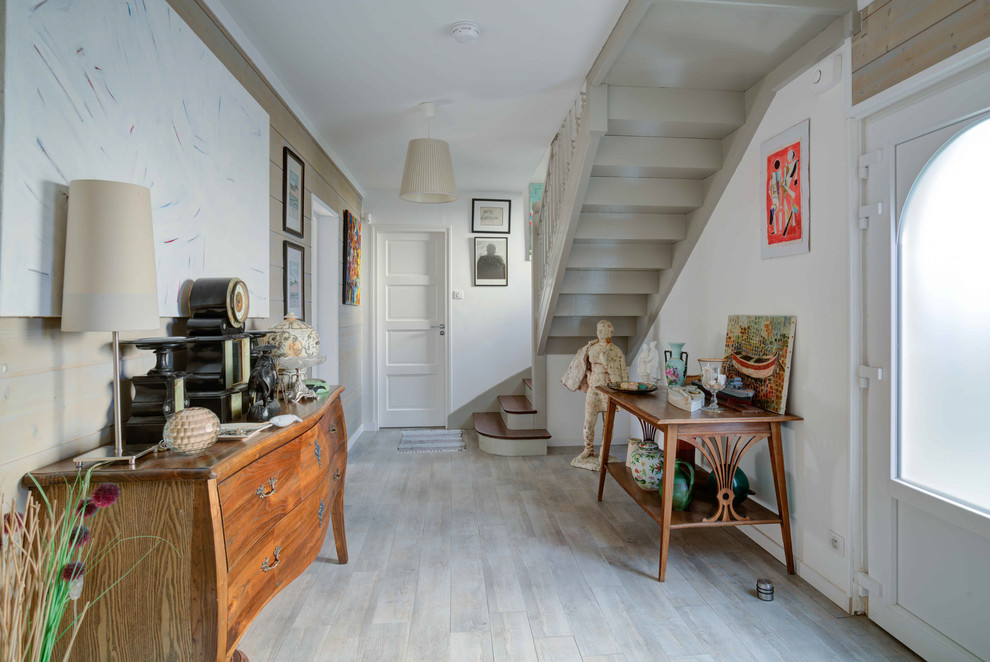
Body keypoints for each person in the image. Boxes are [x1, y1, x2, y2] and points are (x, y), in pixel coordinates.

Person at [560, 320, 628, 471]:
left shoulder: (616, 352)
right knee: (589, 422)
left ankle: (604, 451)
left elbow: (621, 379)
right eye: (599, 329)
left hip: (609, 391)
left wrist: (607, 364)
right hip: (594, 390)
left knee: (607, 424)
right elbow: (584, 367)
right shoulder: (591, 349)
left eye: (605, 330)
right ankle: (588, 449)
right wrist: (589, 374)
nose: (601, 332)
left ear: (611, 332)